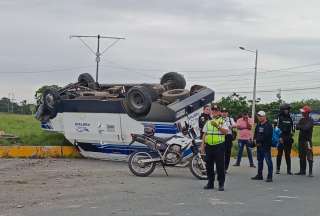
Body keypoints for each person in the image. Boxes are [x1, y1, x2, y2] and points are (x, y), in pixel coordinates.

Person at [200, 105, 228, 191]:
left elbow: (226, 132)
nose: (215, 112)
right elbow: (204, 134)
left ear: (219, 112)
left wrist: (217, 126)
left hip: (219, 145)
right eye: (213, 110)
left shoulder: (222, 121)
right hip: (209, 146)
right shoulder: (208, 122)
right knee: (209, 165)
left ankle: (221, 184)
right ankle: (210, 182)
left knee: (220, 166)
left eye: (216, 110)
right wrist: (202, 145)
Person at [252, 111, 274, 182]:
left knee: (268, 161)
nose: (259, 117)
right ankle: (259, 175)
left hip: (266, 146)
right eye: (258, 116)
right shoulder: (258, 125)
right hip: (259, 146)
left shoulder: (268, 125)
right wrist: (254, 140)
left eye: (261, 116)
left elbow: (266, 136)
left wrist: (258, 140)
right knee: (260, 161)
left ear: (265, 116)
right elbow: (255, 133)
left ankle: (270, 176)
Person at [295, 105, 314, 177]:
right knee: (301, 156)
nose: (302, 113)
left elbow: (306, 128)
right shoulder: (302, 119)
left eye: (303, 112)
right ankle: (302, 171)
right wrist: (301, 126)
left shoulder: (310, 120)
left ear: (307, 113)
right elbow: (297, 127)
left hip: (307, 141)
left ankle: (310, 172)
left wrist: (300, 126)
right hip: (301, 140)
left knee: (309, 156)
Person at [276, 103, 295, 175]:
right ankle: (278, 169)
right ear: (282, 110)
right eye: (285, 109)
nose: (287, 111)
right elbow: (276, 128)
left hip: (288, 138)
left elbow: (293, 128)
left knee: (288, 154)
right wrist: (279, 137)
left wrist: (292, 133)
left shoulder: (290, 118)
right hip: (281, 137)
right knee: (279, 154)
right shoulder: (279, 117)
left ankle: (289, 170)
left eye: (288, 109)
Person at [221, 107, 236, 173]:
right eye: (223, 112)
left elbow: (235, 125)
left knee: (227, 153)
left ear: (227, 113)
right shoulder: (219, 119)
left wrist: (231, 126)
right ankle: (220, 167)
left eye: (225, 112)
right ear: (221, 113)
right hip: (221, 136)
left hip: (228, 136)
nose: (224, 113)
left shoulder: (230, 119)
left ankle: (225, 168)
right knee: (220, 153)